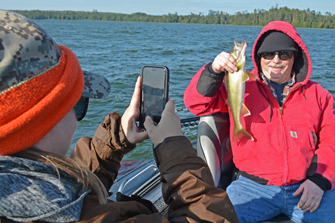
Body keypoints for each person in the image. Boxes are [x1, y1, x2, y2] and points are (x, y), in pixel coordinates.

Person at [0, 10, 239, 223]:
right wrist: (174, 148)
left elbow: (73, 189)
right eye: (78, 103)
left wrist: (116, 140)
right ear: (39, 121)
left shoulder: (32, 194)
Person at [184, 21, 335, 223]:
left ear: (295, 57)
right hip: (250, 187)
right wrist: (213, 71)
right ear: (258, 57)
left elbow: (330, 141)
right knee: (216, 219)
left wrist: (320, 180)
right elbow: (196, 104)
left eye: (284, 54)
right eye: (267, 54)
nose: (275, 60)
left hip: (306, 187)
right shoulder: (242, 83)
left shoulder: (320, 95)